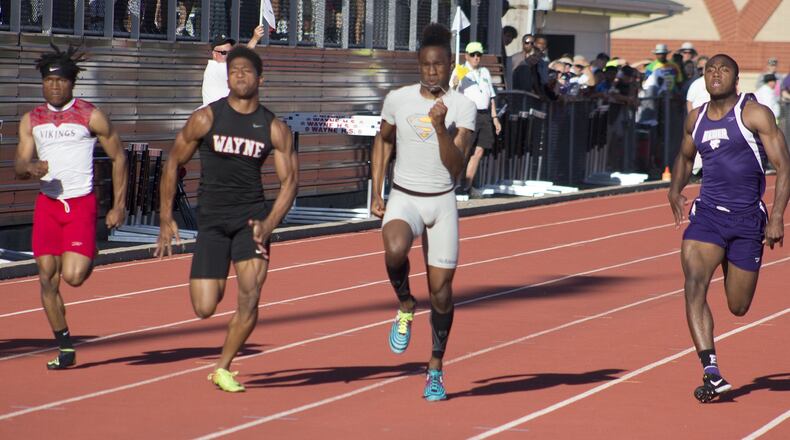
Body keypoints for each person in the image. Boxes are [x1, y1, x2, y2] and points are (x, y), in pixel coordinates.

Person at [156, 46, 298, 392]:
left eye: (246, 71)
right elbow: (173, 161)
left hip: (251, 220)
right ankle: (220, 353)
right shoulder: (206, 118)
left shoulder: (273, 127)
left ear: (260, 78)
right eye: (233, 70)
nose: (239, 76)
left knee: (250, 294)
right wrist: (165, 216)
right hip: (213, 222)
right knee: (204, 307)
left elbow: (290, 182)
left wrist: (269, 224)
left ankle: (223, 367)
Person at [667, 54, 790, 403]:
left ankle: (729, 261)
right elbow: (685, 156)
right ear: (703, 78)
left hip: (748, 220)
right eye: (710, 70)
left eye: (723, 70)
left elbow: (784, 166)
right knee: (693, 283)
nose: (715, 74)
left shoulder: (753, 114)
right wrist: (675, 187)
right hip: (708, 217)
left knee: (738, 306)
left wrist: (778, 215)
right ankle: (711, 370)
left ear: (736, 79)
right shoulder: (697, 118)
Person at [370, 23, 476, 401]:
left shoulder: (462, 107)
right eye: (427, 65)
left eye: (440, 65)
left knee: (442, 293)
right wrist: (376, 189)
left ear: (451, 64)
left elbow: (455, 167)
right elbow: (382, 143)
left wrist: (440, 127)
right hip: (404, 195)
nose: (433, 71)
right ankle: (404, 304)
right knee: (395, 248)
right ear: (419, 64)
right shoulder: (397, 99)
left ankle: (435, 368)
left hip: (442, 202)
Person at [14, 44, 128, 369]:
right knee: (47, 278)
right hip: (47, 205)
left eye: (60, 81)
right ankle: (65, 347)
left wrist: (118, 206)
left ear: (71, 83)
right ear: (42, 84)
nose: (54, 87)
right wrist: (30, 168)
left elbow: (119, 156)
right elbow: (19, 163)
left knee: (74, 276)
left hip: (80, 204)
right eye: (49, 82)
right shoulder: (32, 120)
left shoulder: (90, 115)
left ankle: (87, 249)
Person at [451, 41, 501, 195]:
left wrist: (495, 117)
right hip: (469, 114)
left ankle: (468, 185)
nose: (476, 58)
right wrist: (455, 83)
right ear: (466, 55)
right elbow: (452, 91)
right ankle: (456, 184)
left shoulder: (485, 72)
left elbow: (491, 96)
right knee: (464, 150)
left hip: (484, 114)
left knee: (479, 151)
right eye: (473, 55)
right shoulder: (460, 70)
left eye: (478, 54)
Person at [202, 26, 265, 106]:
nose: (228, 56)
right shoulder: (215, 68)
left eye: (230, 52)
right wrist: (255, 39)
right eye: (224, 53)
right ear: (214, 54)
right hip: (216, 116)